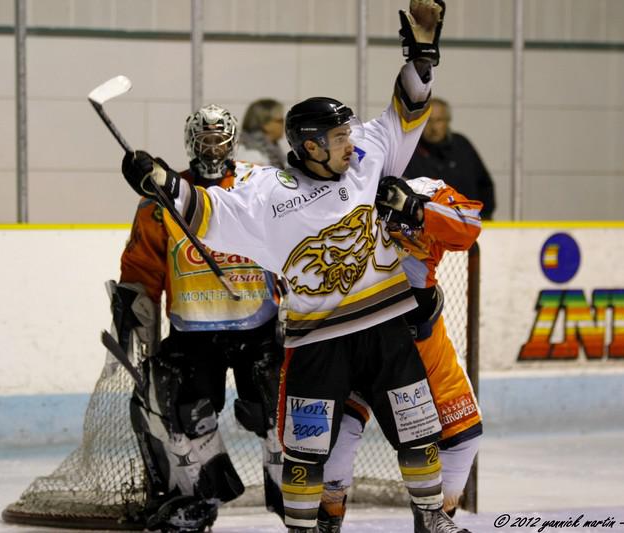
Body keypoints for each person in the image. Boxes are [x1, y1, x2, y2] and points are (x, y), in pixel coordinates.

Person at [119, 3, 453, 531]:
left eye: (347, 133)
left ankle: (433, 520)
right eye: (337, 137)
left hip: (385, 326)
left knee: (418, 431)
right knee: (304, 450)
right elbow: (206, 211)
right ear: (310, 145)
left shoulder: (364, 156)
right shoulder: (267, 194)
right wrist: (160, 180)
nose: (350, 141)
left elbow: (404, 115)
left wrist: (421, 58)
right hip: (316, 340)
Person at [112, 103, 285, 532]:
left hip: (258, 323)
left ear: (233, 142)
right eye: (204, 140)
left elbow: (292, 240)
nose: (212, 148)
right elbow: (142, 265)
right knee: (177, 404)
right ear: (191, 143)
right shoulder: (160, 199)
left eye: (219, 140)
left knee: (278, 406)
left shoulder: (259, 185)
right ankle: (200, 498)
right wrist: (134, 306)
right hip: (194, 327)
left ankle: (292, 493)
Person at [317, 176, 484, 533]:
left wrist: (414, 209)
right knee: (333, 432)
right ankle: (327, 518)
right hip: (350, 336)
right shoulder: (327, 191)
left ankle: (432, 519)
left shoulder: (424, 189)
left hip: (418, 342)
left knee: (463, 435)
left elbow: (469, 227)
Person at [403, 97, 496, 219]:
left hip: (466, 223)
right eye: (428, 120)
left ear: (447, 121)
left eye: (439, 120)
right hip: (427, 226)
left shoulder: (462, 146)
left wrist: (483, 218)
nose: (433, 127)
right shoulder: (409, 151)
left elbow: (484, 185)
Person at [236, 98, 287, 168]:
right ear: (265, 124)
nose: (284, 124)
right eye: (280, 121)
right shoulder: (250, 155)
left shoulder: (274, 149)